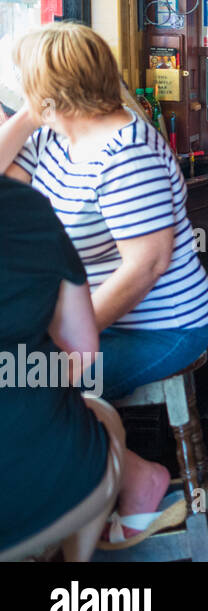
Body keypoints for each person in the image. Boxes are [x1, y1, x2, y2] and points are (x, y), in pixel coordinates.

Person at [0, 22, 208, 401]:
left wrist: (65, 338)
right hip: (95, 323)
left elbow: (145, 266)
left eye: (29, 87)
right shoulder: (53, 136)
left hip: (158, 329)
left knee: (24, 384)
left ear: (55, 94)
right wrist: (32, 113)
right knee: (15, 371)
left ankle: (118, 461)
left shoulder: (128, 155)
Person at [0, 175, 184, 556]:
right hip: (60, 480)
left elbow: (151, 261)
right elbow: (81, 350)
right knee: (93, 407)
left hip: (169, 329)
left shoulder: (125, 149)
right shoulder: (25, 203)